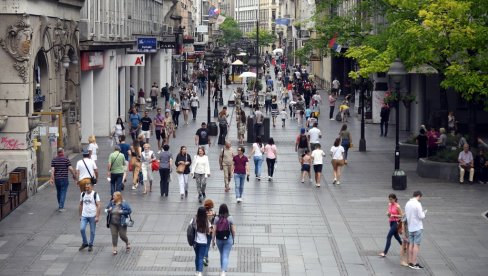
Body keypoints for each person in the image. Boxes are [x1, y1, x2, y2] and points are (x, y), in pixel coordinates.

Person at [212, 204, 236, 276]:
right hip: (228, 239)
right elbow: (233, 230)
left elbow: (214, 230)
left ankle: (222, 269)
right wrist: (233, 239)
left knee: (222, 254)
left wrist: (213, 240)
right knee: (225, 255)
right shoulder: (230, 218)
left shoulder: (216, 218)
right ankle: (223, 271)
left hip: (219, 239)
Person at [404, 190, 426, 270]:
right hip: (417, 227)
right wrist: (424, 213)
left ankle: (410, 261)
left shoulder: (407, 203)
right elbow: (421, 216)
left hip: (410, 227)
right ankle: (414, 263)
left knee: (411, 244)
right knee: (416, 245)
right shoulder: (418, 204)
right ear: (419, 196)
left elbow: (406, 214)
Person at [78, 182, 101, 252]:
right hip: (84, 215)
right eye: (86, 187)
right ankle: (85, 243)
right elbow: (80, 204)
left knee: (92, 231)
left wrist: (97, 216)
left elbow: (99, 205)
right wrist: (80, 215)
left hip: (92, 215)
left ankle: (90, 244)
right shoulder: (82, 194)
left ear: (92, 187)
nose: (87, 189)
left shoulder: (95, 194)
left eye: (88, 187)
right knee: (82, 229)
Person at [192, 207, 210, 276]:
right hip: (203, 242)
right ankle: (200, 272)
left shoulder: (194, 219)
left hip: (196, 241)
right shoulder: (206, 221)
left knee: (197, 256)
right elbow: (209, 231)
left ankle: (197, 271)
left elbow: (190, 227)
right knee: (201, 257)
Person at [203, 199, 216, 267]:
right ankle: (205, 257)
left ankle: (205, 258)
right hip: (210, 231)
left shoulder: (202, 212)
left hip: (203, 230)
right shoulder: (213, 213)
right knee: (207, 244)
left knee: (204, 244)